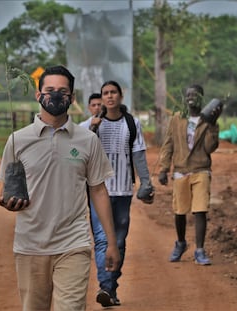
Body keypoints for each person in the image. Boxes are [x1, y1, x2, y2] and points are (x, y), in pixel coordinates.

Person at [0, 65, 120, 311]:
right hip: (30, 244)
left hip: (73, 242)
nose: (55, 96)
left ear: (72, 98)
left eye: (62, 91)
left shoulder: (87, 141)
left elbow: (98, 190)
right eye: (49, 90)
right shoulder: (17, 141)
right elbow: (7, 190)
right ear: (38, 95)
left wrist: (111, 243)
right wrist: (8, 202)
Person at [89, 80, 154, 307]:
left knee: (119, 241)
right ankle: (105, 287)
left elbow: (139, 156)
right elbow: (79, 153)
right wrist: (92, 129)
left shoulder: (132, 123)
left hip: (124, 190)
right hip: (98, 190)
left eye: (113, 92)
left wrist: (146, 183)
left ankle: (112, 287)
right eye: (105, 93)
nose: (109, 96)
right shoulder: (92, 124)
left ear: (120, 95)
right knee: (101, 239)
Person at [158, 84, 221, 265]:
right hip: (180, 171)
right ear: (184, 98)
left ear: (202, 98)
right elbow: (168, 144)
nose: (191, 97)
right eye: (188, 94)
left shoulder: (208, 120)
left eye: (195, 94)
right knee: (180, 211)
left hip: (201, 169)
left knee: (200, 210)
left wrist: (213, 126)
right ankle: (181, 243)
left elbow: (210, 148)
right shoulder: (177, 119)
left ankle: (199, 250)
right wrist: (164, 168)